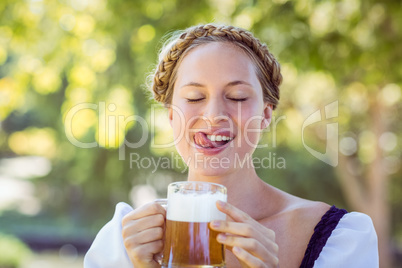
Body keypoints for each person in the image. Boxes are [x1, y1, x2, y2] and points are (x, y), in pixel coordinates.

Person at [84, 24, 379, 268]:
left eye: (237, 97)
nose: (213, 116)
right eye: (195, 98)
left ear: (265, 115)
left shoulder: (341, 237)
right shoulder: (122, 243)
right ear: (172, 116)